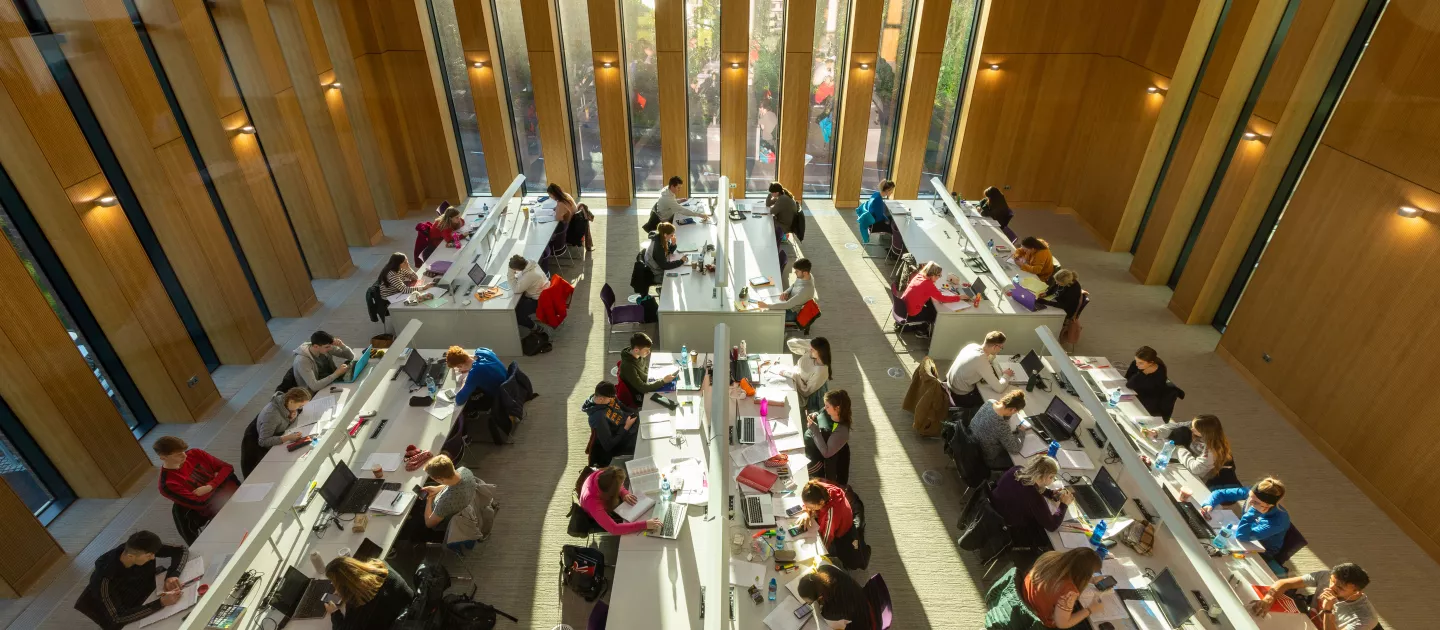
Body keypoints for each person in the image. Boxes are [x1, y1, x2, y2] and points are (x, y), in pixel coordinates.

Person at [74, 531, 189, 630]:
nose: (153, 557)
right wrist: (161, 603)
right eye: (149, 555)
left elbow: (180, 550)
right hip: (130, 613)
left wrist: (172, 575)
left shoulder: (140, 548)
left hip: (150, 594)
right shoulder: (104, 580)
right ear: (130, 557)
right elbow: (117, 617)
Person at [153, 436, 239, 544]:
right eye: (178, 454)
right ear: (163, 457)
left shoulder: (195, 453)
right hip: (219, 509)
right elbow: (201, 503)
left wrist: (209, 487)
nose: (184, 455)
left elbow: (228, 468)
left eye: (183, 451)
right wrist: (219, 479)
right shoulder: (167, 484)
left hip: (236, 493)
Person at [1249, 563, 1376, 630]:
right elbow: (1285, 583)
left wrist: (1328, 611)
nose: (1330, 587)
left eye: (1340, 588)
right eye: (1332, 581)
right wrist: (1269, 598)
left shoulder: (1364, 618)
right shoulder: (1326, 576)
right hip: (1303, 622)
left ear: (1356, 592)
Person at [1200, 477, 1291, 561]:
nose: (1250, 501)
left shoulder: (1278, 521)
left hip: (1262, 552)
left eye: (1255, 502)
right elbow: (1220, 493)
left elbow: (1242, 536)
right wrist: (1209, 504)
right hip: (1242, 532)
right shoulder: (1254, 495)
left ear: (1269, 505)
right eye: (1250, 496)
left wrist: (1252, 513)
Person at [1144, 414, 1239, 489]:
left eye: (1195, 429)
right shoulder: (1197, 425)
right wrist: (1156, 432)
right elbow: (1174, 426)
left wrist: (1179, 449)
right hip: (1193, 459)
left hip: (1205, 474)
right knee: (1181, 430)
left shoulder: (1212, 450)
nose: (1192, 429)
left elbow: (1196, 469)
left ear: (1204, 432)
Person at [1021, 548, 1107, 628]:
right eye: (1090, 573)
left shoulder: (1050, 557)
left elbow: (1066, 573)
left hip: (1025, 597)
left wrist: (1089, 579)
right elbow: (1062, 624)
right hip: (1037, 618)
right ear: (1085, 574)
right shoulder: (1069, 592)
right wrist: (1090, 609)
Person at [323, 556, 415, 630]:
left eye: (334, 584)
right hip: (415, 612)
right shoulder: (381, 567)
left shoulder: (359, 609)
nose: (333, 586)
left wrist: (334, 613)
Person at [993, 455, 1072, 541]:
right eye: (1051, 477)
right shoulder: (1034, 496)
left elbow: (1026, 484)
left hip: (993, 505)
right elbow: (1052, 525)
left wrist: (1049, 493)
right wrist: (1063, 505)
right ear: (1041, 476)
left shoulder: (1017, 469)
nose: (1052, 481)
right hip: (1007, 522)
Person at [420, 455, 498, 541]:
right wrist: (436, 489)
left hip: (445, 523)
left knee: (412, 519)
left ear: (440, 479)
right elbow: (453, 484)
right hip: (461, 501)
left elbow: (429, 524)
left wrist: (429, 500)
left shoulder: (446, 502)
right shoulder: (464, 471)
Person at [244, 387, 312, 476]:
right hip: (269, 446)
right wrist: (288, 438)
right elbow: (263, 441)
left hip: (281, 434)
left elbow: (283, 422)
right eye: (300, 406)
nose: (300, 408)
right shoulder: (272, 415)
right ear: (291, 401)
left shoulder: (285, 402)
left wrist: (292, 416)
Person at [579, 466, 661, 535]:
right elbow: (614, 529)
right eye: (620, 485)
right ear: (612, 492)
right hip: (593, 513)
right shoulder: (593, 503)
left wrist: (624, 493)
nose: (622, 486)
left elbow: (615, 483)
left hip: (601, 499)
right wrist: (645, 524)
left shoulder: (604, 475)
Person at [945, 331, 1015, 408]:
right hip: (960, 395)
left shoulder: (972, 346)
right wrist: (1006, 375)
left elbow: (986, 361)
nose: (1000, 350)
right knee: (993, 401)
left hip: (949, 385)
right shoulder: (981, 360)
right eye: (1001, 347)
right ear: (995, 347)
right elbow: (999, 388)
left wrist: (992, 354)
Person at [796, 564, 873, 629]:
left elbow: (828, 622)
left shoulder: (828, 611)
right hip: (862, 597)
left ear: (819, 597)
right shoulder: (824, 568)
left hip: (864, 623)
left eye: (810, 602)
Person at [969, 390, 1029, 469]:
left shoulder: (990, 402)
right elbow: (1015, 449)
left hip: (970, 441)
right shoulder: (1002, 426)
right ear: (1014, 410)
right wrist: (1021, 432)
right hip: (986, 457)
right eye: (1015, 412)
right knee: (1020, 464)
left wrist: (1008, 414)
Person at [899, 261, 962, 338]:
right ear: (933, 275)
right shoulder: (928, 285)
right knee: (935, 314)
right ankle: (921, 332)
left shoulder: (919, 275)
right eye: (939, 275)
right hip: (910, 313)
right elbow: (942, 299)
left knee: (931, 304)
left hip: (902, 307)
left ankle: (921, 327)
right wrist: (960, 297)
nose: (939, 277)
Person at [583, 381, 639, 466]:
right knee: (645, 444)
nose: (612, 399)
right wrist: (626, 427)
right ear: (601, 399)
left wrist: (635, 414)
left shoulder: (606, 396)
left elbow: (620, 404)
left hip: (628, 424)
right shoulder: (598, 418)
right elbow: (609, 445)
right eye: (610, 399)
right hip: (622, 438)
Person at [805, 390, 853, 486]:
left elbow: (826, 453)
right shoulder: (828, 411)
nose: (825, 408)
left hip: (817, 461)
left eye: (827, 406)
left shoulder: (841, 431)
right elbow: (820, 413)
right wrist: (815, 415)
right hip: (812, 450)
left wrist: (813, 428)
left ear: (837, 408)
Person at [618, 333, 676, 405]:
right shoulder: (628, 367)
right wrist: (663, 381)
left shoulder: (637, 354)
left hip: (645, 382)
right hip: (639, 394)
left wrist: (658, 377)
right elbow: (643, 388)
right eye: (646, 350)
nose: (649, 352)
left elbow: (645, 370)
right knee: (671, 400)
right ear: (636, 350)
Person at [292, 331, 356, 393]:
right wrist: (337, 374)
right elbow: (314, 387)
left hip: (331, 380)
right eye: (327, 347)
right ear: (316, 346)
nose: (331, 348)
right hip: (315, 392)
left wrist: (342, 345)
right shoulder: (302, 361)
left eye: (331, 345)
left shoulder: (325, 347)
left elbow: (351, 356)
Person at [757, 257, 815, 323]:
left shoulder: (805, 290)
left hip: (791, 311)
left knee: (765, 314)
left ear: (805, 273)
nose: (795, 272)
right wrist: (786, 292)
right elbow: (794, 285)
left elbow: (787, 305)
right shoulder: (806, 276)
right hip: (788, 301)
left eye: (797, 271)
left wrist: (766, 305)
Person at [797, 479, 853, 546]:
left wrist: (821, 552)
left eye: (811, 507)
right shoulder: (817, 488)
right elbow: (808, 500)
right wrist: (806, 512)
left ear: (821, 502)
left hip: (839, 530)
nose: (810, 509)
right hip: (828, 517)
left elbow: (827, 538)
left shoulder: (832, 513)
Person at [784, 336, 832, 411]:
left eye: (813, 349)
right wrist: (810, 343)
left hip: (798, 388)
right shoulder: (811, 353)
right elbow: (790, 344)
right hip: (791, 376)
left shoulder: (820, 371)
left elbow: (805, 391)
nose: (810, 349)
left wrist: (792, 375)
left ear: (819, 352)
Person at [507, 254, 548, 333]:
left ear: (517, 268)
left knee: (517, 315)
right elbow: (524, 276)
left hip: (540, 300)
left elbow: (516, 289)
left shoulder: (529, 276)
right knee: (518, 302)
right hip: (545, 293)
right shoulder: (532, 262)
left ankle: (536, 328)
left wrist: (510, 271)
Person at [1125, 346, 1170, 417]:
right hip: (1133, 392)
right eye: (1136, 361)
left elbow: (1130, 385)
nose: (1136, 364)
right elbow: (1128, 379)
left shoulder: (1160, 373)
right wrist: (1142, 372)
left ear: (1151, 363)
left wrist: (1142, 373)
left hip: (1148, 399)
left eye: (1141, 363)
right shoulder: (1136, 363)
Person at [642, 222, 685, 286]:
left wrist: (673, 244)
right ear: (665, 234)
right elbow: (665, 266)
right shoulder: (658, 246)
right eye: (671, 235)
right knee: (677, 278)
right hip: (656, 273)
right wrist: (681, 261)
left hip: (659, 267)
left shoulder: (661, 238)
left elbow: (667, 253)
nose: (672, 237)